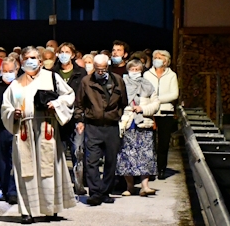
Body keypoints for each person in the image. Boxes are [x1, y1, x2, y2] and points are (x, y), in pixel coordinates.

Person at [1, 47, 76, 224]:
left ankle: (51, 208)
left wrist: (56, 104)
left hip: (46, 127)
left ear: (40, 61)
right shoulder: (16, 84)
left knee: (49, 167)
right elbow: (6, 107)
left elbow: (69, 95)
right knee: (26, 170)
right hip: (25, 129)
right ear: (21, 61)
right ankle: (27, 210)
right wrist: (14, 113)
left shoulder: (52, 77)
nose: (30, 61)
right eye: (26, 58)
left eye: (34, 57)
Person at [74, 54, 128, 206]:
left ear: (108, 66)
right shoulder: (87, 82)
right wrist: (79, 120)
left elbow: (124, 102)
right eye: (97, 69)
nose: (100, 71)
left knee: (111, 160)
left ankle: (105, 191)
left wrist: (118, 116)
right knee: (92, 160)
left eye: (103, 68)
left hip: (111, 126)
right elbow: (79, 103)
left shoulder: (118, 81)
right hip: (93, 125)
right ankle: (95, 192)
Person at [117, 59, 160, 196]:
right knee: (126, 155)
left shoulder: (148, 85)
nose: (134, 72)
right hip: (127, 122)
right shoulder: (121, 84)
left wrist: (142, 108)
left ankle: (145, 186)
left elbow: (156, 103)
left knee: (145, 155)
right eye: (132, 69)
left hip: (143, 123)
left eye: (137, 69)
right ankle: (130, 186)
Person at [56, 42, 88, 195]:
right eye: (61, 51)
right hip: (57, 118)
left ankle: (78, 184)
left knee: (77, 152)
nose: (63, 54)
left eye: (67, 51)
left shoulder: (81, 73)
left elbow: (84, 98)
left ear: (73, 54)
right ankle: (61, 185)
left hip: (75, 118)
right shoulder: (52, 72)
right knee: (58, 153)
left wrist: (81, 119)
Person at [144, 50, 179, 180]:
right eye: (155, 57)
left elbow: (174, 94)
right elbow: (145, 91)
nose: (157, 59)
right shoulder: (147, 74)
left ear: (166, 61)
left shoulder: (172, 75)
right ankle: (150, 169)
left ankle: (161, 168)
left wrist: (157, 99)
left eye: (159, 58)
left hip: (166, 112)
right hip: (150, 112)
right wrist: (152, 102)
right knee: (150, 142)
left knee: (163, 143)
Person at [0, 57, 19, 204]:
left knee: (15, 160)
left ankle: (14, 190)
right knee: (2, 162)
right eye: (4, 71)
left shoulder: (20, 84)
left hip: (17, 127)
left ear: (16, 70)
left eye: (10, 71)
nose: (7, 74)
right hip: (0, 128)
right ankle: (5, 189)